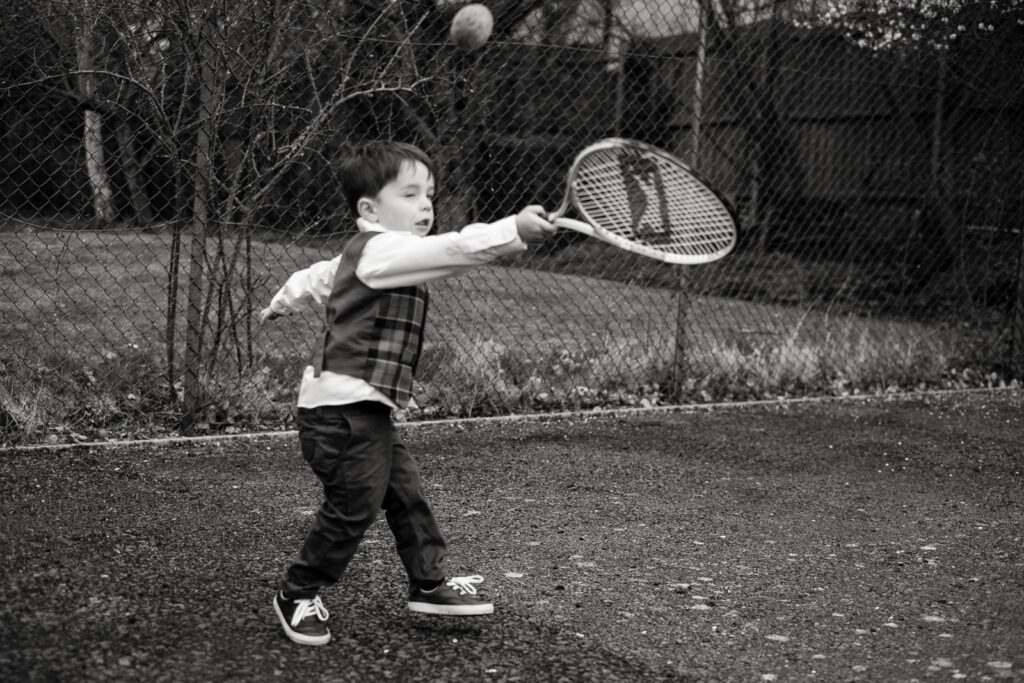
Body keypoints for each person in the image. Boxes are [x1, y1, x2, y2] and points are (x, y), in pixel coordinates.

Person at [259, 140, 555, 646]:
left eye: (430, 195)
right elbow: (453, 248)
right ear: (369, 210)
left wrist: (281, 302)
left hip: (364, 412)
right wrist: (512, 231)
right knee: (354, 506)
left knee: (405, 495)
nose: (425, 206)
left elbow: (315, 277)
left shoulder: (367, 255)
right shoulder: (382, 251)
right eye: (411, 193)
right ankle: (297, 591)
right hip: (339, 413)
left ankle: (429, 583)